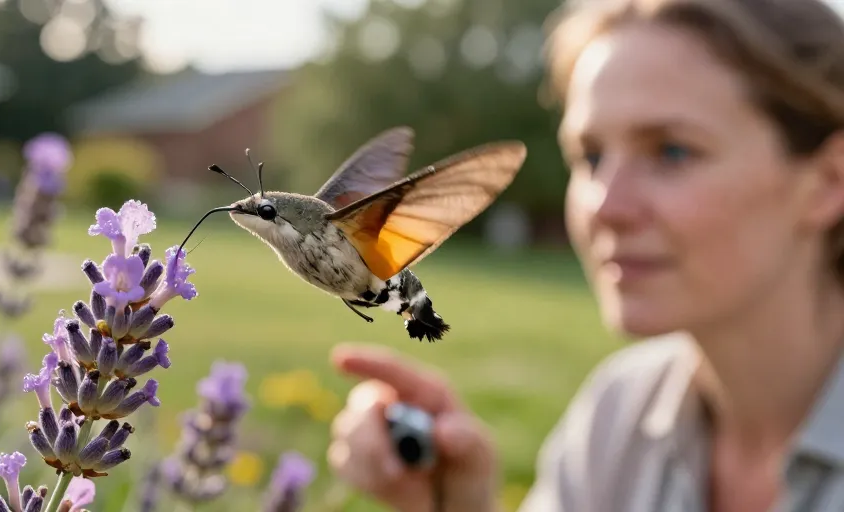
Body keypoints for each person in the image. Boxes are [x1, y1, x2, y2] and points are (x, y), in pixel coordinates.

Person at [324, 0, 844, 510]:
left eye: (673, 151)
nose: (605, 206)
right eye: (591, 156)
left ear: (828, 181)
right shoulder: (620, 415)